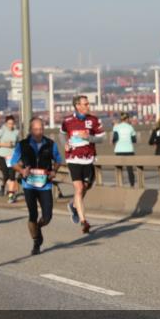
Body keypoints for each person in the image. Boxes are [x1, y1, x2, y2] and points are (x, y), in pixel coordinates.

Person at [11, 117, 63, 255]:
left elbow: (58, 160)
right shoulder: (22, 144)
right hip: (29, 185)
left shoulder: (50, 144)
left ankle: (37, 228)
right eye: (35, 129)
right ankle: (36, 242)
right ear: (30, 130)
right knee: (32, 214)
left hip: (45, 184)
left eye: (41, 129)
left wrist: (54, 171)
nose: (38, 132)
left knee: (47, 216)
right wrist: (22, 171)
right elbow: (13, 162)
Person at [61, 96, 105, 234]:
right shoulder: (67, 121)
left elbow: (102, 138)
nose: (88, 106)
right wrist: (65, 144)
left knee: (86, 187)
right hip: (73, 159)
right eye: (85, 104)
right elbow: (61, 134)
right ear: (77, 106)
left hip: (88, 158)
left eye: (88, 104)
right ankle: (83, 222)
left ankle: (73, 205)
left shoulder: (93, 120)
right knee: (79, 188)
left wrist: (88, 138)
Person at [0, 115, 20, 203]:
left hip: (12, 157)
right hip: (3, 156)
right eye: (9, 123)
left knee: (12, 176)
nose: (10, 125)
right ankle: (2, 185)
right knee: (6, 176)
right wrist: (5, 145)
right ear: (6, 123)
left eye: (12, 123)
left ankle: (11, 195)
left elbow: (18, 144)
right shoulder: (1, 131)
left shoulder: (16, 132)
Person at [111, 112, 138, 187]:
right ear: (127, 119)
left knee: (119, 168)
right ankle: (132, 185)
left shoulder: (116, 127)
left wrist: (113, 142)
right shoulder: (130, 127)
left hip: (119, 150)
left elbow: (115, 138)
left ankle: (119, 184)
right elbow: (134, 140)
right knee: (130, 169)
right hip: (129, 150)